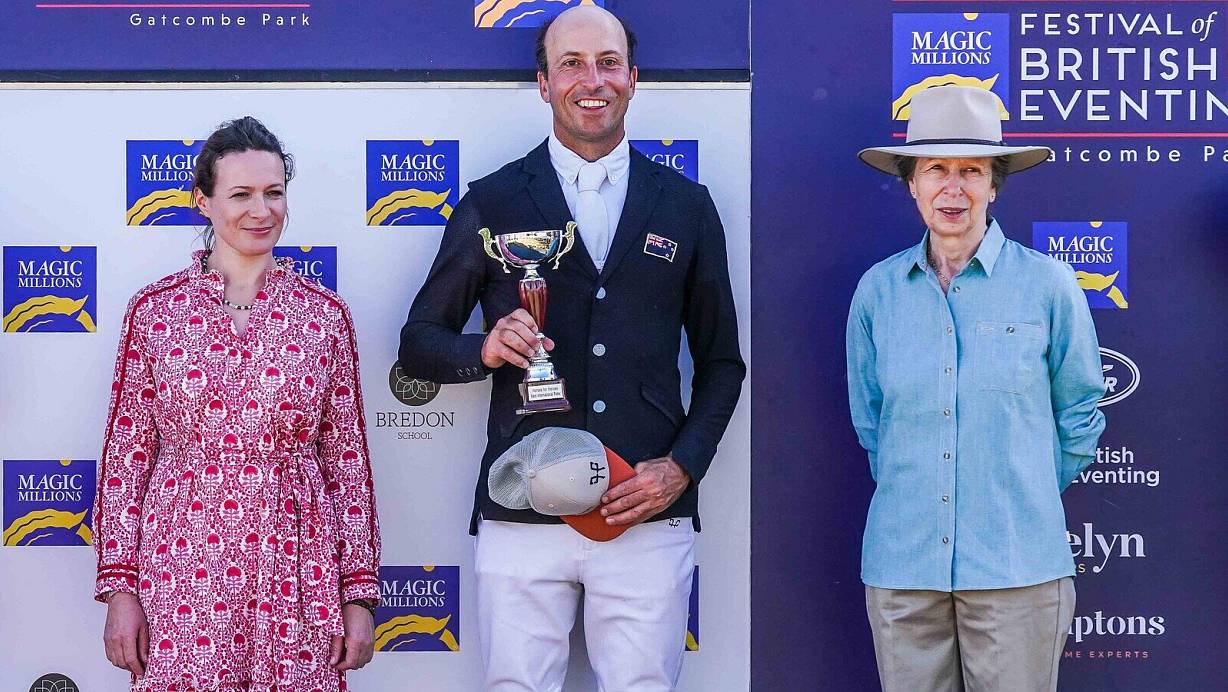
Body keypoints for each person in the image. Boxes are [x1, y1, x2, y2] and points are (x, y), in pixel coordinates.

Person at [398, 6, 744, 690]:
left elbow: (722, 363)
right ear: (543, 83)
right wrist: (486, 350)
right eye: (572, 64)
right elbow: (419, 346)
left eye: (608, 63)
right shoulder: (492, 201)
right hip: (521, 503)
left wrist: (681, 469)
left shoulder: (686, 205)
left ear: (634, 79)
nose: (593, 79)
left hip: (645, 506)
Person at [93, 116, 381, 691]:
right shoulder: (154, 313)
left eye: (274, 193)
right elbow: (126, 460)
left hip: (298, 564)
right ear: (203, 201)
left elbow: (347, 463)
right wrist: (121, 588)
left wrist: (359, 594)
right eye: (241, 194)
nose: (261, 210)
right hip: (183, 564)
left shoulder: (324, 315)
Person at [846, 85, 1107, 692]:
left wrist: (1016, 490)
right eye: (936, 169)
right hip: (904, 569)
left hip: (1017, 566)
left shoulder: (1048, 286)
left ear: (995, 184)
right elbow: (871, 420)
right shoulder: (877, 293)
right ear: (912, 183)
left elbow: (1080, 413)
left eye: (971, 171)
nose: (953, 188)